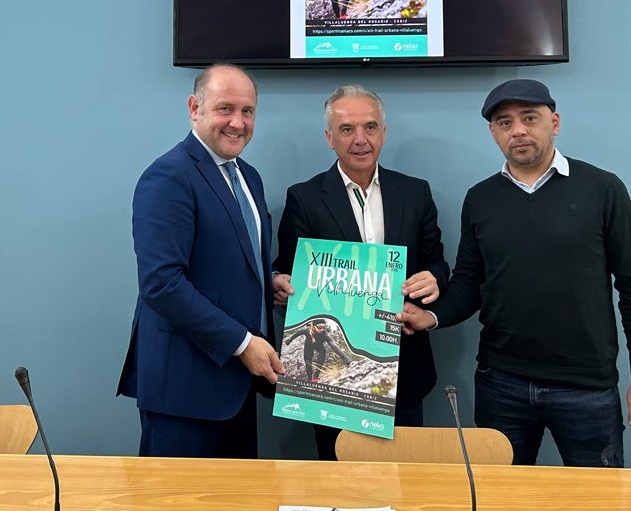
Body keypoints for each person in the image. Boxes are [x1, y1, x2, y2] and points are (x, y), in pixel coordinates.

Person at [399, 78, 631, 468]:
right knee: (498, 499)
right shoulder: (481, 198)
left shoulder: (602, 189)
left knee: (597, 500)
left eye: (529, 118)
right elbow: (470, 282)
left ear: (554, 122)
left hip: (586, 386)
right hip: (501, 383)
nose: (518, 130)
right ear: (493, 133)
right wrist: (433, 317)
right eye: (504, 122)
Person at [273, 84, 449, 460]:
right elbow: (286, 272)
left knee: (404, 485)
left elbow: (437, 263)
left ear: (384, 133)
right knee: (340, 484)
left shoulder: (415, 193)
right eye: (346, 129)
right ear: (329, 138)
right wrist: (280, 285)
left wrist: (434, 279)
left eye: (370, 127)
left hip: (402, 368)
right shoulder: (304, 197)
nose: (360, 140)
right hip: (333, 381)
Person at [117, 64, 283, 458]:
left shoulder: (249, 176)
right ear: (195, 108)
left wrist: (268, 279)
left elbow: (231, 260)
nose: (238, 123)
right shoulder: (168, 176)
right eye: (225, 109)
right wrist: (243, 344)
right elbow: (162, 284)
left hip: (237, 385)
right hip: (185, 389)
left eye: (248, 112)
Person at [283, 318, 352, 383]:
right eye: (319, 327)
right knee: (308, 362)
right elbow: (296, 334)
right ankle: (310, 379)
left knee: (323, 351)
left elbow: (335, 347)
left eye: (324, 327)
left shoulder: (325, 335)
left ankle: (316, 375)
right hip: (309, 345)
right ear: (313, 326)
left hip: (318, 346)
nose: (322, 329)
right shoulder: (306, 330)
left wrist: (347, 360)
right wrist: (289, 341)